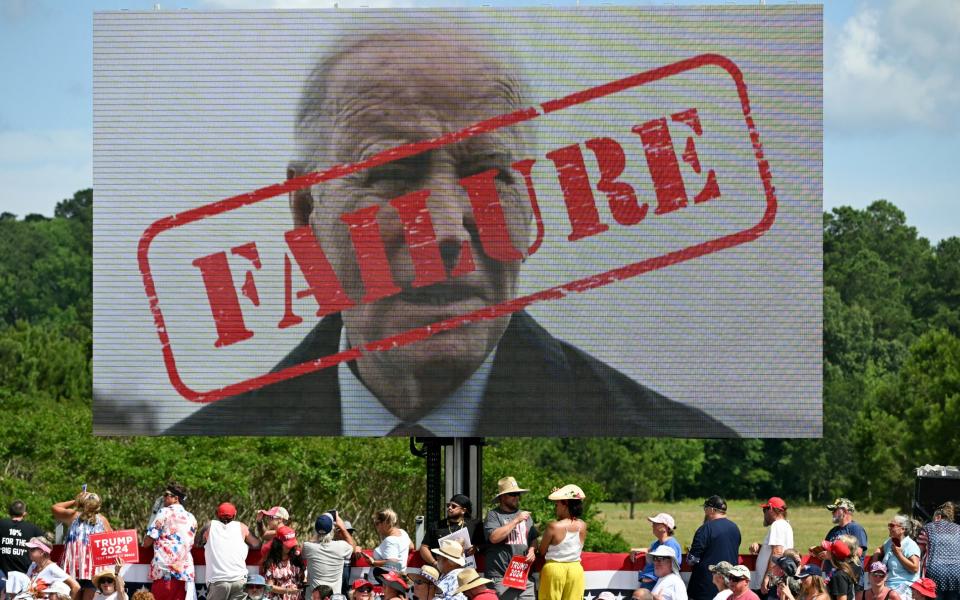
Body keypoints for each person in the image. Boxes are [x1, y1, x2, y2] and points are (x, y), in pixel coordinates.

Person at [164, 24, 737, 438]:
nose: (445, 228)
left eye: (488, 176)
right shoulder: (201, 445)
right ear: (306, 214)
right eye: (393, 175)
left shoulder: (660, 432)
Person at [484, 477, 538, 600]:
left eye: (517, 494)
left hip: (524, 576)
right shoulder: (493, 515)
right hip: (501, 578)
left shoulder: (525, 516)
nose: (516, 497)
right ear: (502, 497)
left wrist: (532, 550)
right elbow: (494, 537)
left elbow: (533, 538)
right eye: (512, 494)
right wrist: (516, 520)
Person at [52, 492, 113, 600]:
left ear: (82, 503)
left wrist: (75, 501)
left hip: (74, 568)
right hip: (92, 570)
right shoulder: (102, 520)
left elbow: (55, 507)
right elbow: (112, 541)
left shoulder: (73, 515)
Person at [142, 482, 197, 600]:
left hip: (165, 571)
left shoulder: (164, 512)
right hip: (185, 574)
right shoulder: (192, 517)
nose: (164, 498)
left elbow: (147, 542)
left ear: (176, 498)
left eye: (166, 495)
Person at [199, 502, 261, 600]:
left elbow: (197, 543)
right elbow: (256, 544)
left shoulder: (209, 526)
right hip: (239, 580)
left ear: (216, 514)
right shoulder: (242, 527)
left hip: (217, 581)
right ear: (235, 514)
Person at [538, 485, 587, 600]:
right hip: (575, 569)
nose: (556, 508)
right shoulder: (582, 525)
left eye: (557, 504)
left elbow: (542, 551)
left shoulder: (553, 526)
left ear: (565, 505)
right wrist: (561, 495)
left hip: (554, 569)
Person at [687, 496, 741, 600]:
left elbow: (692, 560)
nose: (705, 512)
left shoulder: (705, 529)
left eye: (705, 509)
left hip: (705, 588)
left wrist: (690, 554)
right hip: (730, 587)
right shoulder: (735, 528)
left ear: (711, 510)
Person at [420, 496, 484, 570]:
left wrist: (476, 548)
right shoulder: (437, 525)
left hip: (466, 570)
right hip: (442, 570)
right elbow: (424, 547)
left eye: (453, 506)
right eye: (448, 505)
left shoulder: (474, 525)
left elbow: (485, 544)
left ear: (463, 510)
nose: (449, 508)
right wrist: (435, 563)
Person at [302, 512, 357, 598]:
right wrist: (342, 527)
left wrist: (320, 526)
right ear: (333, 529)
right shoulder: (341, 546)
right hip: (334, 597)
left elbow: (313, 540)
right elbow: (353, 547)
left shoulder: (308, 547)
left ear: (315, 530)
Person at [749, 498, 794, 599]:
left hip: (772, 583)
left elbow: (777, 552)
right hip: (777, 581)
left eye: (765, 509)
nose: (764, 513)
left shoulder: (777, 525)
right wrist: (761, 547)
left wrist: (767, 577)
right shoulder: (785, 525)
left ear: (771, 509)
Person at [869, 516, 919, 600]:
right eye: (889, 525)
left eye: (892, 525)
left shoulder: (910, 545)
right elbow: (879, 549)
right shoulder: (890, 541)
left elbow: (915, 568)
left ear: (902, 529)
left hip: (904, 587)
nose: (889, 528)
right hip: (888, 585)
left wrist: (899, 554)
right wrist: (875, 560)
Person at [919, 501, 960, 600]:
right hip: (957, 573)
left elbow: (919, 551)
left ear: (938, 517)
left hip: (934, 573)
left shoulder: (927, 528)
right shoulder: (958, 529)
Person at [1, 501, 45, 582]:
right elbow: (45, 547)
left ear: (9, 512)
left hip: (3, 575)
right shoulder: (33, 529)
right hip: (24, 577)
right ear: (24, 513)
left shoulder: (1, 524)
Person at [636, 514, 682, 590]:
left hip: (658, 586)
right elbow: (649, 550)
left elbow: (672, 567)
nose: (652, 526)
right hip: (650, 585)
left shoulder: (671, 544)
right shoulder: (656, 543)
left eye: (656, 523)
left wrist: (650, 579)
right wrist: (635, 550)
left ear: (666, 528)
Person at [822, 500, 868, 574]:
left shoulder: (856, 528)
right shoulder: (833, 530)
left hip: (849, 577)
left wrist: (832, 555)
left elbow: (858, 552)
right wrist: (816, 552)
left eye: (835, 510)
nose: (832, 513)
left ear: (844, 511)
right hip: (831, 577)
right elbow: (825, 548)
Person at [260, 526, 304, 600]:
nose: (290, 547)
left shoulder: (296, 557)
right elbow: (269, 586)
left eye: (292, 544)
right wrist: (286, 591)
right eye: (287, 545)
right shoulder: (272, 562)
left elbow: (302, 578)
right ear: (278, 544)